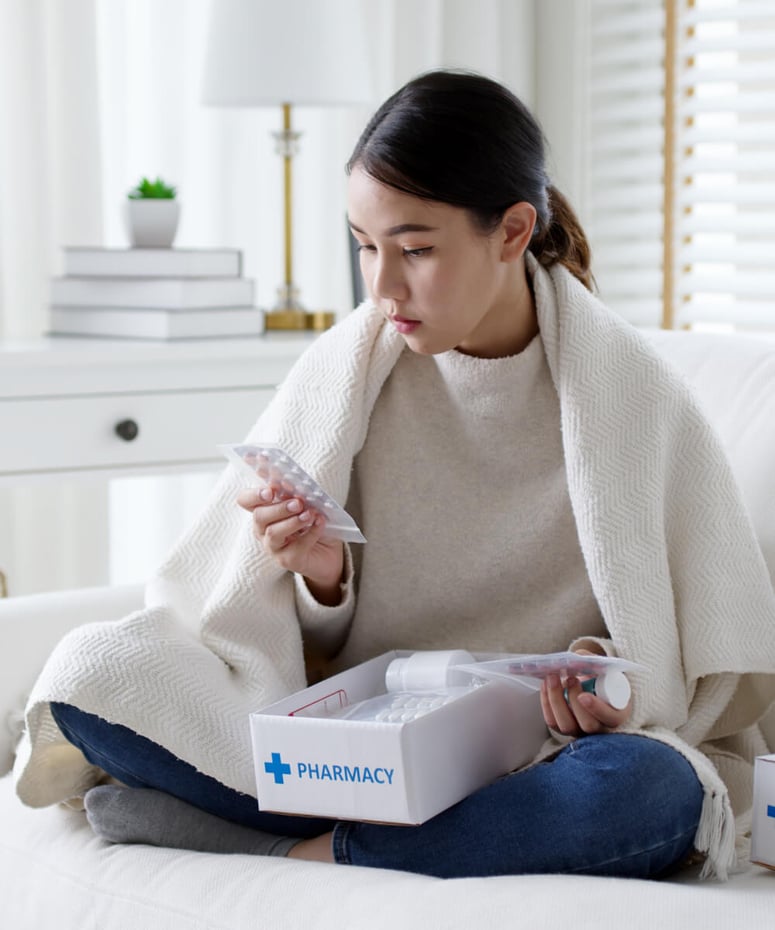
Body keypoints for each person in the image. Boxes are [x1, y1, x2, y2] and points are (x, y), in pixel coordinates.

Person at [16, 70, 775, 881]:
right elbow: (249, 622)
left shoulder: (635, 394)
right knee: (89, 675)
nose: (380, 287)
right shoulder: (348, 368)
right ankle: (386, 842)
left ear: (513, 231)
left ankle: (293, 849)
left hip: (526, 757)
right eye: (365, 246)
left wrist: (605, 682)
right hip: (358, 738)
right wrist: (325, 578)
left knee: (651, 791)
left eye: (414, 250)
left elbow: (692, 665)